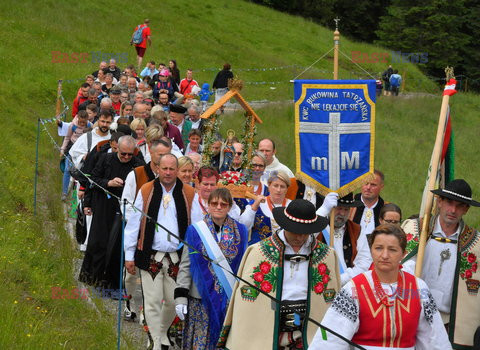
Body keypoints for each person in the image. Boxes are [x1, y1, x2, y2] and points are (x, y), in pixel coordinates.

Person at [219, 199, 340, 349]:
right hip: (267, 329)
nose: (300, 238)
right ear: (285, 226)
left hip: (309, 330)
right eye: (295, 231)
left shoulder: (327, 255)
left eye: (305, 233)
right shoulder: (258, 252)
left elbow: (331, 301)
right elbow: (246, 303)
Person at [309, 223, 452, 350]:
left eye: (392, 250)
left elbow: (435, 338)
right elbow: (330, 338)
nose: (384, 255)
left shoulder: (418, 289)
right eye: (378, 248)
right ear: (371, 250)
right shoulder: (354, 289)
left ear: (403, 253)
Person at [124, 154, 195, 350]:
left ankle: (162, 331)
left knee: (173, 302)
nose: (168, 172)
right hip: (150, 256)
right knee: (153, 302)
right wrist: (129, 255)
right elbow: (133, 224)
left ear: (177, 170)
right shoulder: (147, 190)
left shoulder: (188, 193)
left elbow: (195, 227)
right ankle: (155, 343)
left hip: (177, 259)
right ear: (158, 169)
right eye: (164, 168)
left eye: (172, 169)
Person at [402, 179, 480, 348]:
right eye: (449, 203)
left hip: (448, 323)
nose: (453, 210)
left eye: (459, 206)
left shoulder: (476, 244)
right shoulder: (415, 229)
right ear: (439, 202)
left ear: (466, 209)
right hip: (412, 315)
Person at [175, 188, 248, 349]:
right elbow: (186, 265)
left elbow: (244, 267)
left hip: (227, 300)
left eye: (224, 204)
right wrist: (180, 295)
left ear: (229, 207)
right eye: (214, 203)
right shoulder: (196, 231)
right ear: (208, 205)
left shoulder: (241, 231)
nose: (219, 207)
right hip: (200, 298)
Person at [79, 136, 143, 290]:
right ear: (117, 149)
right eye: (123, 154)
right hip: (103, 205)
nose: (127, 157)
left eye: (130, 154)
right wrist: (108, 183)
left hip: (124, 210)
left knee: (115, 247)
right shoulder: (105, 159)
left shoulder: (138, 165)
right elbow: (92, 180)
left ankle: (110, 283)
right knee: (97, 242)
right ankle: (91, 278)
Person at [316, 192, 372, 286]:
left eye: (346, 209)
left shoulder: (356, 230)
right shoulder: (317, 227)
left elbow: (364, 263)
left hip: (349, 285)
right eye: (339, 208)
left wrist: (342, 279)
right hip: (320, 285)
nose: (342, 213)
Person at [239, 171, 291, 245]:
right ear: (269, 186)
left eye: (282, 187)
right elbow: (243, 226)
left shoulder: (291, 206)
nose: (278, 190)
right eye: (275, 186)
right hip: (259, 251)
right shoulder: (257, 203)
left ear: (286, 189)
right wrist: (254, 206)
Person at [60, 111, 92, 200]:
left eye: (84, 122)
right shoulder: (72, 126)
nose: (82, 124)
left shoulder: (90, 126)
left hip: (82, 150)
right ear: (77, 118)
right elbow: (67, 138)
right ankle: (64, 192)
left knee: (79, 171)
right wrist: (62, 149)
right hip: (72, 147)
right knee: (67, 169)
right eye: (80, 122)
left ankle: (77, 190)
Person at [350, 169, 386, 235]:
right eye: (366, 183)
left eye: (373, 185)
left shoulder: (386, 209)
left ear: (381, 187)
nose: (368, 187)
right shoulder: (349, 205)